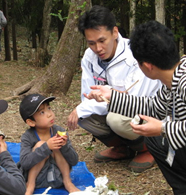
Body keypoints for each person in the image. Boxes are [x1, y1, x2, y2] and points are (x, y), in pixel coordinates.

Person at [85, 21, 186, 195]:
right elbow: (153, 107)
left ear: (147, 65)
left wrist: (163, 127)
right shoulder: (172, 79)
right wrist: (112, 96)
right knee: (155, 138)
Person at [67, 5, 161, 173]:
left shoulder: (135, 54)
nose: (98, 49)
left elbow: (135, 102)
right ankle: (123, 148)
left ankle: (148, 148)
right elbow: (87, 95)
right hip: (115, 107)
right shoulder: (89, 57)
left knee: (115, 118)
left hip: (145, 111)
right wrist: (83, 107)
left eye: (102, 41)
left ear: (115, 32)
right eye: (91, 43)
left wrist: (106, 97)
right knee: (83, 116)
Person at [19, 94, 79, 195]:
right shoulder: (27, 137)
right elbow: (25, 163)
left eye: (49, 108)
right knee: (42, 145)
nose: (49, 114)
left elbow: (74, 160)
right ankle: (30, 185)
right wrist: (46, 147)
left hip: (57, 178)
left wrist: (64, 146)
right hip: (38, 179)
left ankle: (68, 182)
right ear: (31, 122)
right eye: (42, 112)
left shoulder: (59, 131)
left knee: (56, 143)